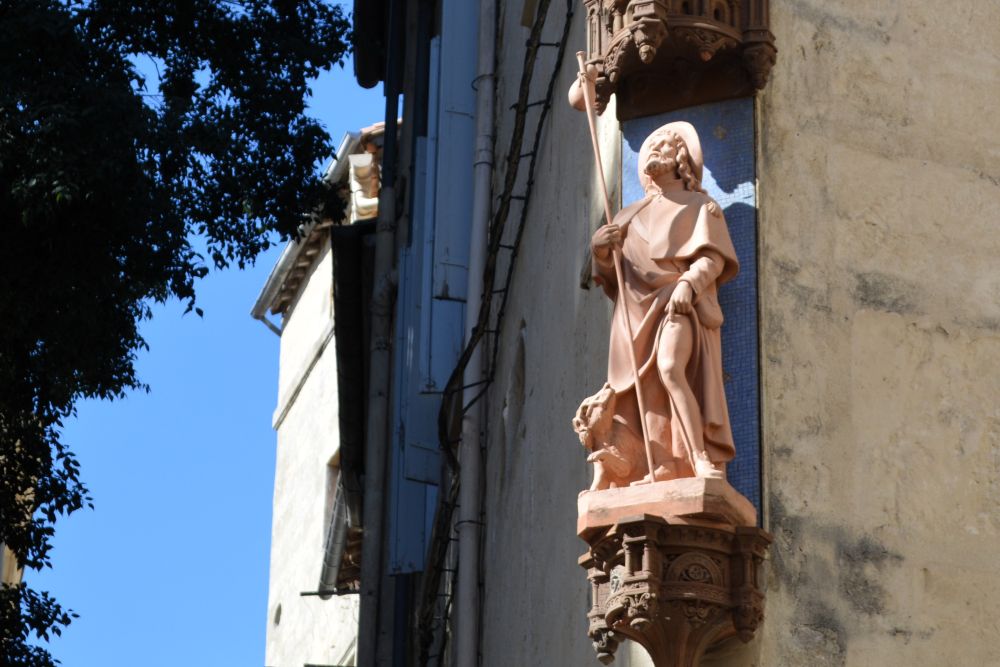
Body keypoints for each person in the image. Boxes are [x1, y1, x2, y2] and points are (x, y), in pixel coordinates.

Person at [588, 121, 738, 482]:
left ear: (681, 158)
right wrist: (600, 249)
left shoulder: (702, 206)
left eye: (665, 145)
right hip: (633, 312)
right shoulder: (627, 216)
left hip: (675, 300)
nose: (654, 149)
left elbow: (712, 259)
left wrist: (690, 282)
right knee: (648, 387)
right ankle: (663, 465)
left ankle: (699, 457)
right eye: (651, 145)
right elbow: (610, 274)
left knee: (670, 368)